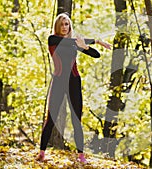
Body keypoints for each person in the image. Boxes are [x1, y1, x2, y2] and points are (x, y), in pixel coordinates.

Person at [36, 13, 111, 163]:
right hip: (58, 83)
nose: (65, 27)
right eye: (62, 24)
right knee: (51, 119)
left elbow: (96, 55)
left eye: (67, 24)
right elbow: (67, 42)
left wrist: (86, 46)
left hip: (74, 83)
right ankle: (42, 153)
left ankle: (81, 156)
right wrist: (95, 40)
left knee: (76, 119)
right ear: (57, 26)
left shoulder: (75, 42)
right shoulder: (53, 39)